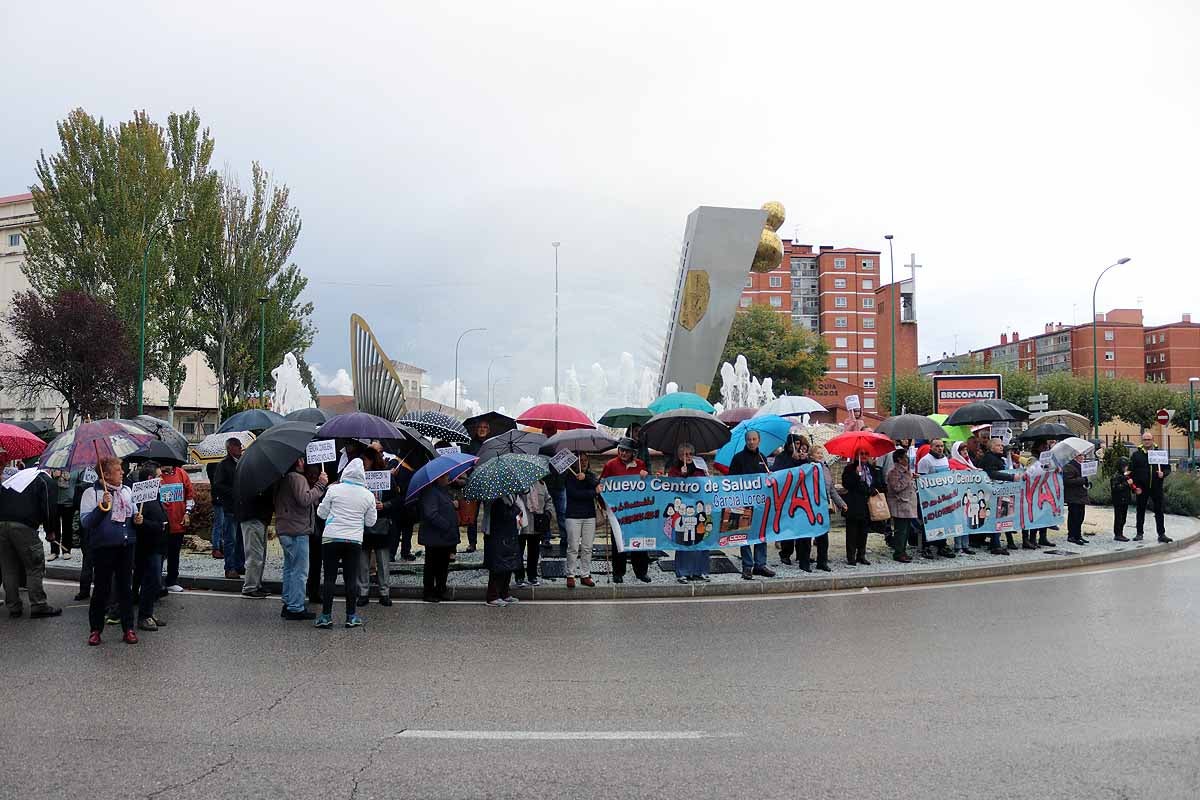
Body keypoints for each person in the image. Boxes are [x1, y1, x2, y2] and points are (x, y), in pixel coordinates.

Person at [80, 457, 137, 645]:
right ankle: (95, 629)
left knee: (125, 589)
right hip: (103, 548)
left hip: (126, 546)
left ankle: (128, 628)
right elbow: (86, 522)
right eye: (118, 469)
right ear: (105, 474)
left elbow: (133, 514)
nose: (122, 472)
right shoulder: (91, 493)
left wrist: (138, 519)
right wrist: (101, 508)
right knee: (101, 590)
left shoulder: (127, 491)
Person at [315, 458, 377, 629]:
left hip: (331, 538)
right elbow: (371, 522)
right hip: (354, 540)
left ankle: (326, 616)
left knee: (329, 578)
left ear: (346, 472)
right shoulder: (368, 495)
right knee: (351, 579)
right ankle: (351, 616)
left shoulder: (333, 490)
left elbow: (321, 513)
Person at [0, 466, 62, 619]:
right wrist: (50, 531)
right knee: (34, 566)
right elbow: (49, 508)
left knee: (9, 568)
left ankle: (13, 606)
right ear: (51, 470)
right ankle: (38, 605)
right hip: (24, 526)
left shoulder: (19, 476)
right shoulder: (45, 480)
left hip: (1, 524)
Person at [275, 457, 327, 620]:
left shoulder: (285, 478)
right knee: (300, 571)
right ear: (297, 462)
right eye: (301, 459)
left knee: (290, 568)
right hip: (297, 530)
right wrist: (320, 484)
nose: (304, 461)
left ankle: (289, 601)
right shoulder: (297, 478)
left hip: (286, 528)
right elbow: (305, 499)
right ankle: (296, 607)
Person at [600, 439, 653, 583]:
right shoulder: (610, 465)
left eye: (626, 451)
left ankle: (641, 572)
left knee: (639, 541)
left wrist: (645, 477)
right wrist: (604, 506)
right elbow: (602, 486)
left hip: (637, 510)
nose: (623, 453)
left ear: (633, 453)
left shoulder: (640, 465)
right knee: (618, 542)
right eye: (621, 450)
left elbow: (648, 487)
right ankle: (618, 572)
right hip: (618, 511)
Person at [727, 430, 776, 580]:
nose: (751, 442)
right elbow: (730, 480)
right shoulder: (738, 458)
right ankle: (747, 566)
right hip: (743, 503)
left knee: (761, 533)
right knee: (744, 535)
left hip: (760, 504)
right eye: (749, 439)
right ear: (745, 441)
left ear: (759, 441)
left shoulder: (763, 458)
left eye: (754, 439)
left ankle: (760, 564)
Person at [131, 463, 169, 631]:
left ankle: (149, 612)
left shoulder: (154, 496)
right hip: (148, 547)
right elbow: (137, 523)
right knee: (150, 581)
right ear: (150, 479)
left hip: (158, 546)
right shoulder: (140, 499)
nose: (162, 479)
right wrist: (158, 526)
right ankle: (144, 616)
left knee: (154, 582)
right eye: (159, 476)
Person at [357, 448, 396, 607]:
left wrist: (384, 505)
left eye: (365, 459)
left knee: (382, 561)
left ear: (372, 460)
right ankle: (363, 592)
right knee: (363, 562)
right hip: (363, 524)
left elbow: (397, 499)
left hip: (382, 523)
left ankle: (384, 592)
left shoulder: (386, 477)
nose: (363, 463)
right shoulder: (358, 478)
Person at [667, 443, 710, 583]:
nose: (688, 457)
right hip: (684, 511)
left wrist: (708, 476)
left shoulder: (700, 468)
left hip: (699, 509)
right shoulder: (674, 469)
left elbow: (707, 485)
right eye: (685, 454)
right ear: (679, 456)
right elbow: (671, 486)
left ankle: (700, 571)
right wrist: (682, 476)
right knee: (684, 541)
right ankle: (683, 572)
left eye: (690, 454)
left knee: (701, 540)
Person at [418, 473, 459, 602]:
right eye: (445, 476)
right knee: (432, 565)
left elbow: (444, 506)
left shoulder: (443, 491)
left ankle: (441, 589)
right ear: (438, 478)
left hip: (444, 537)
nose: (448, 478)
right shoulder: (430, 492)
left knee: (443, 565)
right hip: (434, 537)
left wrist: (453, 505)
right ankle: (429, 592)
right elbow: (431, 514)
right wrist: (447, 525)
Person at [802, 444, 842, 572]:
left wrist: (841, 503)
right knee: (807, 536)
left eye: (821, 453)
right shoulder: (806, 468)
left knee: (823, 536)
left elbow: (831, 489)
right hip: (810, 505)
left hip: (823, 505)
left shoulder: (825, 468)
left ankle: (822, 561)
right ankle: (804, 562)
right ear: (811, 455)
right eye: (817, 453)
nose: (820, 455)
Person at [773, 434, 810, 566]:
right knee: (787, 527)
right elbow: (779, 474)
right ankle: (785, 553)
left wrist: (803, 460)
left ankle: (802, 554)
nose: (798, 446)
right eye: (796, 444)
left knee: (801, 526)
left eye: (800, 444)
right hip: (786, 497)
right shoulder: (781, 458)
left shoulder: (803, 458)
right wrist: (792, 461)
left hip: (800, 496)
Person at [563, 453, 599, 588]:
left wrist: (585, 477)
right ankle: (570, 575)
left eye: (585, 460)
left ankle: (585, 574)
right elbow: (575, 495)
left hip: (589, 516)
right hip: (573, 516)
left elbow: (597, 484)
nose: (583, 463)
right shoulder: (569, 476)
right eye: (580, 460)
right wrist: (593, 493)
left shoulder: (590, 476)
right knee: (572, 546)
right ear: (574, 463)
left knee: (587, 547)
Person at [211, 438, 245, 579]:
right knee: (230, 539)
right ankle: (229, 567)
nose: (240, 449)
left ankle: (239, 564)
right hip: (230, 506)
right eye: (237, 446)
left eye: (240, 446)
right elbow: (218, 485)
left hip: (242, 506)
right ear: (230, 448)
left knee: (241, 539)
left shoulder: (243, 462)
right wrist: (233, 492)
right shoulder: (223, 465)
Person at [916, 438, 956, 558]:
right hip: (930, 498)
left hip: (943, 496)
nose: (940, 448)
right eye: (937, 446)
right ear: (931, 447)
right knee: (928, 522)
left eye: (941, 446)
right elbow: (921, 480)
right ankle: (926, 546)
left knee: (943, 521)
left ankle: (942, 545)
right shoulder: (925, 461)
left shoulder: (944, 459)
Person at [842, 448, 882, 566]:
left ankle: (861, 555)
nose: (864, 456)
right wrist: (856, 474)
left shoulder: (871, 468)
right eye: (861, 454)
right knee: (852, 532)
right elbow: (847, 484)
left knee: (863, 532)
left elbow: (877, 483)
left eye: (866, 454)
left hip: (867, 504)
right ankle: (851, 556)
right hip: (854, 504)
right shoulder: (850, 468)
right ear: (856, 456)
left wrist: (873, 489)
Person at [1129, 432, 1172, 543]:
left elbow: (1167, 468)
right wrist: (1134, 487)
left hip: (1156, 487)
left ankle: (1161, 534)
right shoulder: (1136, 455)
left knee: (1159, 511)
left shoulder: (1160, 453)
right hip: (1142, 487)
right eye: (1144, 439)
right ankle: (1139, 533)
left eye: (1149, 439)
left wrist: (1163, 473)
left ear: (1153, 440)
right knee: (1140, 510)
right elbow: (1131, 472)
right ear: (1142, 441)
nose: (1147, 441)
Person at [158, 460, 194, 593]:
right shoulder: (156, 476)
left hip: (178, 522)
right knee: (159, 555)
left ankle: (172, 580)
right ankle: (157, 582)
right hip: (160, 524)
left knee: (174, 553)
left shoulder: (182, 474)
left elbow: (190, 496)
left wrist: (187, 513)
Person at [236, 477, 274, 598]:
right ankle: (250, 587)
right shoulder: (253, 480)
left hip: (258, 517)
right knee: (254, 554)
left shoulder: (253, 475)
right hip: (253, 517)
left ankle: (256, 584)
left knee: (259, 553)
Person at [482, 493, 523, 606]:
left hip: (508, 535)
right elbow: (504, 515)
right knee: (498, 567)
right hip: (499, 536)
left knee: (507, 565)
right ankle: (493, 596)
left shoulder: (509, 496)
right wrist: (515, 509)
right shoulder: (496, 500)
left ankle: (504, 593)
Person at [978, 438, 1017, 552]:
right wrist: (1011, 477)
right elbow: (991, 473)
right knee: (996, 517)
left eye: (1002, 445)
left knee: (1003, 516)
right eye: (998, 445)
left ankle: (1003, 542)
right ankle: (995, 545)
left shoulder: (999, 458)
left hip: (1001, 491)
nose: (1001, 447)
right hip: (993, 493)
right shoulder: (990, 458)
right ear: (991, 447)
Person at [515, 478, 554, 587]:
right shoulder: (518, 483)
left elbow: (548, 500)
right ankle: (519, 576)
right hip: (522, 524)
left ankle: (532, 576)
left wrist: (548, 513)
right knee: (519, 551)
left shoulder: (541, 483)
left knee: (534, 551)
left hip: (537, 522)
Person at [885, 450, 916, 563]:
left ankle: (903, 550)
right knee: (901, 530)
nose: (907, 459)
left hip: (907, 504)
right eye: (905, 457)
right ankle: (899, 552)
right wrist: (908, 478)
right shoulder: (894, 472)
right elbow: (896, 487)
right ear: (899, 459)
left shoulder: (906, 471)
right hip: (900, 505)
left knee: (906, 529)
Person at [946, 442, 976, 555]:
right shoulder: (952, 462)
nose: (965, 452)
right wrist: (963, 472)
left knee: (967, 520)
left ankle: (966, 545)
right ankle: (958, 546)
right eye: (962, 450)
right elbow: (952, 475)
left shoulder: (968, 462)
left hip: (968, 496)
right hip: (958, 496)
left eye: (966, 449)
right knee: (958, 521)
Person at [1063, 453, 1091, 546]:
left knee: (1080, 516)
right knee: (1074, 516)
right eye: (1080, 455)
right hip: (1073, 496)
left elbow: (1084, 479)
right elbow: (1067, 481)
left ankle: (1078, 535)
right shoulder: (1069, 466)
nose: (1082, 457)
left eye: (1083, 455)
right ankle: (1072, 536)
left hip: (1080, 495)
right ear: (1075, 456)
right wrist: (1082, 480)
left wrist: (1087, 482)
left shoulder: (1081, 466)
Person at [47, 468, 74, 561]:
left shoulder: (74, 468)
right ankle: (54, 551)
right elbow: (48, 483)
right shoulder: (53, 468)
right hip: (55, 502)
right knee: (54, 527)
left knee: (67, 527)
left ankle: (66, 550)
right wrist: (53, 476)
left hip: (68, 502)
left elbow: (78, 483)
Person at [1111, 456, 1133, 542]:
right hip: (1119, 500)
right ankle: (1118, 534)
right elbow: (1115, 488)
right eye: (1125, 466)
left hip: (1124, 499)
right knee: (1119, 517)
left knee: (1123, 517)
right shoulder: (1116, 476)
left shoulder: (1123, 475)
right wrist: (1126, 484)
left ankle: (1120, 533)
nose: (1127, 468)